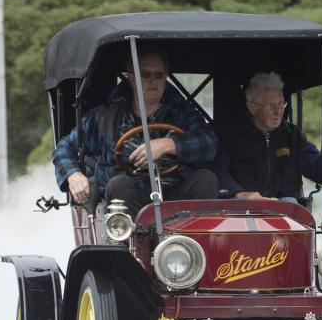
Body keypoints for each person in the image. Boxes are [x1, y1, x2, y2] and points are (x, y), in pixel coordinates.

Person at [52, 48, 219, 215]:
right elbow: (65, 146)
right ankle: (130, 241)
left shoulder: (182, 112)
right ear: (131, 78)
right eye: (145, 75)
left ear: (165, 78)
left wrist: (169, 145)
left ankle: (192, 240)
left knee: (206, 179)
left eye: (159, 75)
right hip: (127, 199)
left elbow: (210, 141)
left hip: (175, 193)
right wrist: (74, 175)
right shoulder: (105, 116)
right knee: (118, 184)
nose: (152, 81)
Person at [213, 72, 322, 203]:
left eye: (281, 104)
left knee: (289, 201)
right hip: (240, 209)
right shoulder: (230, 136)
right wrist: (240, 193)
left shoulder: (293, 136)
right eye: (271, 106)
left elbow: (319, 172)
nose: (278, 112)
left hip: (285, 212)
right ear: (252, 107)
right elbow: (219, 172)